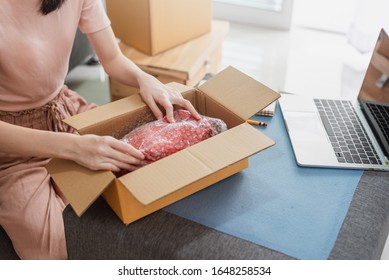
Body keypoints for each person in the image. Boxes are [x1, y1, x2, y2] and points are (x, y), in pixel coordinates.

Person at [0, 0, 200, 260]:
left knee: (150, 169)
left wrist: (146, 80)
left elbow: (113, 58)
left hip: (66, 111)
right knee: (51, 246)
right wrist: (74, 148)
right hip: (13, 143)